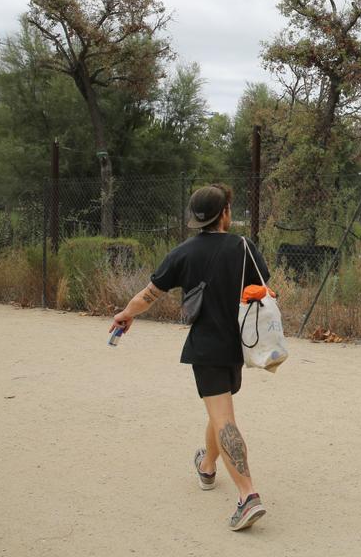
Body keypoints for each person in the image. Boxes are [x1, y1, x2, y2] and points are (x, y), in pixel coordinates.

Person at [110, 183, 272, 530]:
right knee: (219, 412)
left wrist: (126, 314)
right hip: (239, 347)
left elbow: (148, 295)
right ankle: (207, 466)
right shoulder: (244, 247)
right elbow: (266, 290)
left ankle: (248, 496)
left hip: (206, 348)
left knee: (223, 418)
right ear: (225, 212)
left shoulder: (182, 253)